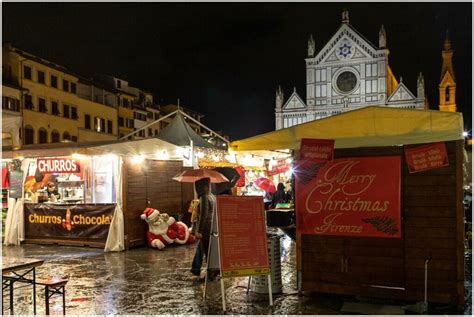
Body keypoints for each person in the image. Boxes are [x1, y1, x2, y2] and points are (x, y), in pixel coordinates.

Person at [190, 178, 219, 281]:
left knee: (207, 251)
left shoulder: (204, 197)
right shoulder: (212, 196)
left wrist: (199, 230)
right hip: (212, 227)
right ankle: (212, 270)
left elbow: (203, 215)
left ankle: (211, 273)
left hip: (205, 229)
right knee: (211, 251)